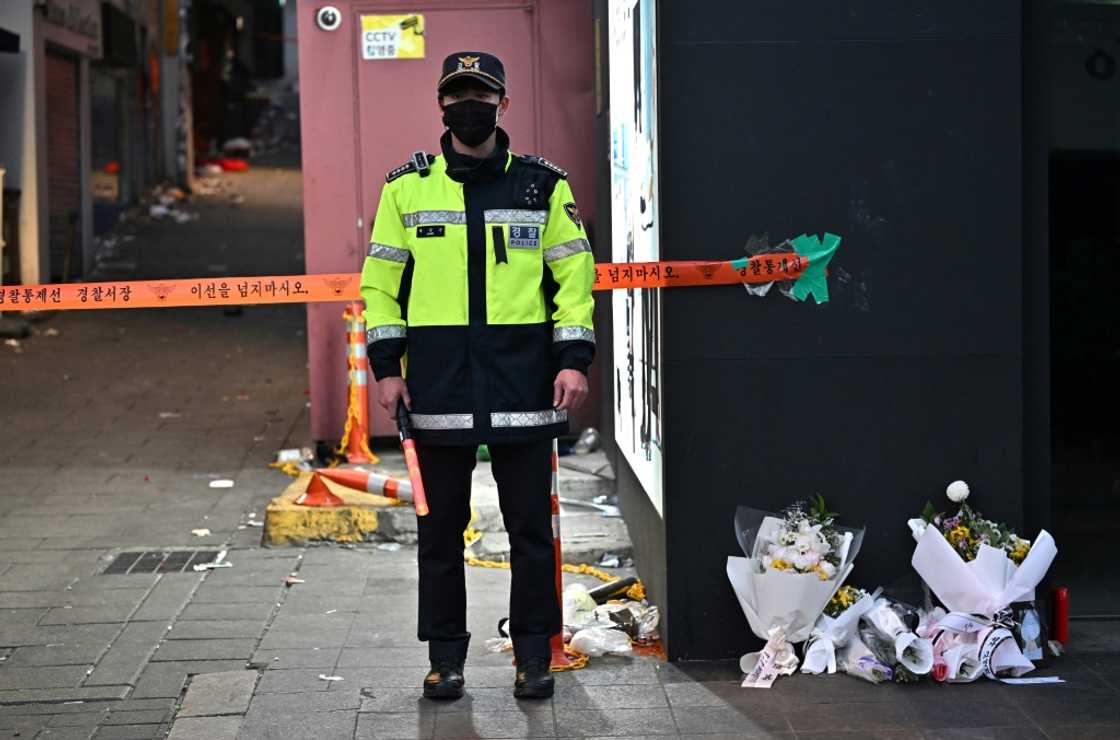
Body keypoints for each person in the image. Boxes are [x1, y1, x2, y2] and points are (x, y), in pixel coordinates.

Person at [359, 51, 596, 701]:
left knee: (530, 532)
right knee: (439, 535)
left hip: (525, 385)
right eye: (457, 95)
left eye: (482, 95)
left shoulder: (543, 186)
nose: (469, 106)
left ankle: (533, 657)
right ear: (441, 105)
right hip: (438, 388)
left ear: (503, 105)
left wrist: (573, 360)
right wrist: (387, 370)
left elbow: (574, 280)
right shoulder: (406, 189)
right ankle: (445, 660)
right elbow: (380, 286)